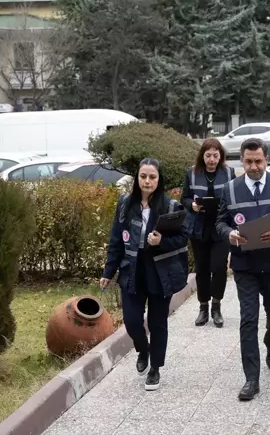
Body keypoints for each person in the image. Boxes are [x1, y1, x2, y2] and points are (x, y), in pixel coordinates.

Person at [216, 138, 270, 401]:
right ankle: (251, 378)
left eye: (258, 161)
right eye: (249, 161)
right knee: (248, 320)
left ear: (267, 160)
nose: (253, 166)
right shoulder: (230, 189)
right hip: (245, 266)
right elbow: (220, 222)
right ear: (241, 161)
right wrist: (229, 234)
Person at [100, 158, 189, 391]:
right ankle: (143, 349)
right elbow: (116, 239)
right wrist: (108, 271)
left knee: (157, 322)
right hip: (132, 269)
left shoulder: (171, 206)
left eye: (152, 177)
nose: (147, 181)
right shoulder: (125, 204)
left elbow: (183, 238)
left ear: (159, 180)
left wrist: (161, 241)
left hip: (160, 271)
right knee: (131, 321)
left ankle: (155, 369)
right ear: (137, 178)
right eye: (143, 176)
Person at [181, 138, 236, 328]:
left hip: (221, 226)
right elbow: (185, 197)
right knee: (202, 269)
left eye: (215, 155)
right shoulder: (192, 172)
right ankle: (203, 308)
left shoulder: (228, 172)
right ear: (202, 156)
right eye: (208, 156)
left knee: (219, 266)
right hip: (199, 226)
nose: (211, 160)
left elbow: (234, 196)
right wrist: (192, 205)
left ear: (220, 156)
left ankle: (216, 306)